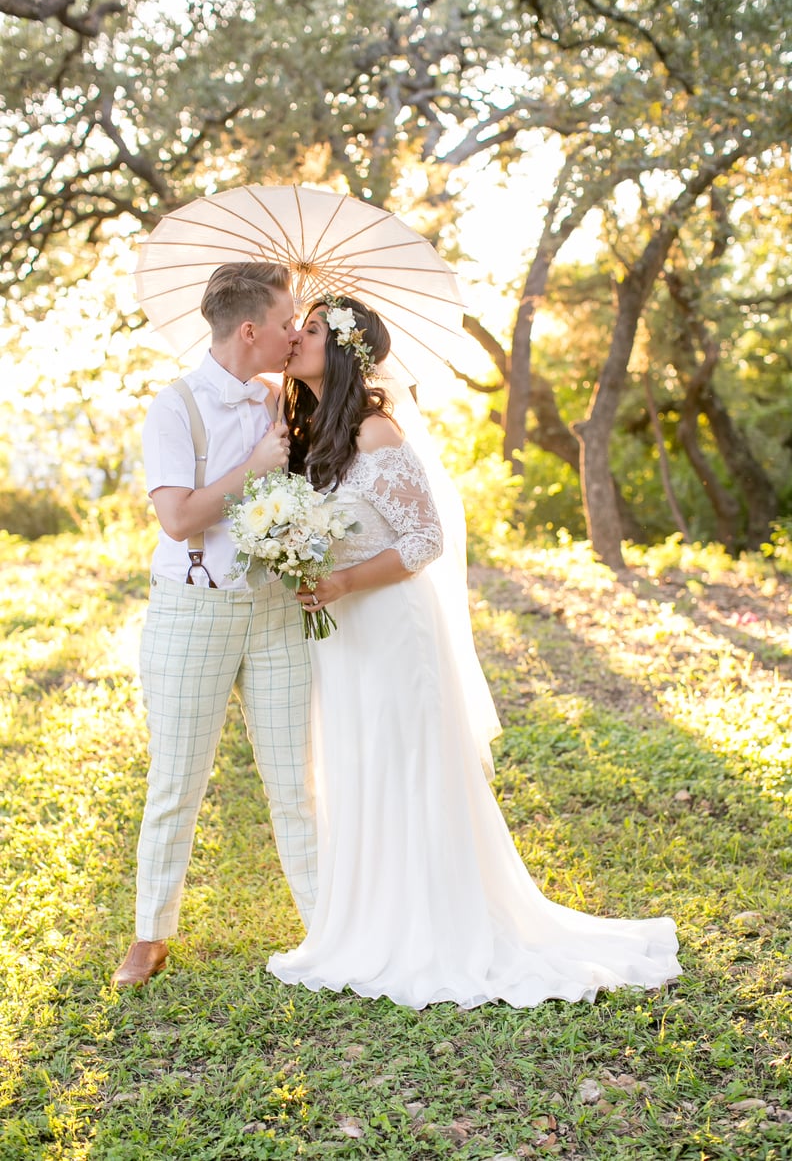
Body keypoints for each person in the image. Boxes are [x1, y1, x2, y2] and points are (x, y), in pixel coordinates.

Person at [266, 294, 681, 1010]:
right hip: (345, 634)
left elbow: (424, 540)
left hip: (391, 622)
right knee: (361, 762)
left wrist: (342, 579)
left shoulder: (378, 433)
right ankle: (372, 921)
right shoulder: (311, 434)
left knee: (408, 764)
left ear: (342, 351)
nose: (294, 340)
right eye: (295, 329)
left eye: (308, 331)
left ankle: (434, 930)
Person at [112, 262, 316, 987]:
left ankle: (324, 930)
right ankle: (150, 934)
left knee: (298, 781)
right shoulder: (176, 407)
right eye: (289, 322)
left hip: (273, 615)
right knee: (177, 779)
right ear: (251, 330)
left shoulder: (278, 400)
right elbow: (177, 519)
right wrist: (254, 470)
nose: (297, 333)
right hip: (192, 613)